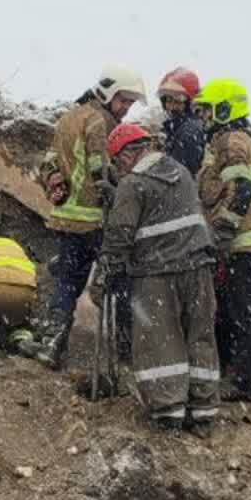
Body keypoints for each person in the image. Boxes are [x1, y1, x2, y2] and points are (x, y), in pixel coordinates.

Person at [97, 123, 220, 434]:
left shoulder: (133, 184)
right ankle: (203, 410)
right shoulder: (182, 172)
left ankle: (169, 411)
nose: (119, 168)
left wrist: (108, 268)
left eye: (118, 161)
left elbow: (121, 233)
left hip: (157, 273)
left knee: (160, 341)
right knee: (200, 336)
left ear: (127, 154)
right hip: (199, 267)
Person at [34, 65, 146, 366]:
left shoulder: (69, 117)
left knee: (67, 282)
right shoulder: (100, 120)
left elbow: (48, 162)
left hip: (67, 220)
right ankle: (127, 352)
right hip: (97, 220)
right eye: (123, 100)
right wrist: (118, 193)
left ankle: (52, 344)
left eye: (130, 103)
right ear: (108, 93)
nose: (126, 108)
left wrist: (54, 182)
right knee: (120, 281)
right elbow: (100, 165)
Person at [192, 79, 251, 400]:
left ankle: (245, 381)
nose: (204, 117)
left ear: (225, 109)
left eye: (208, 110)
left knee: (242, 313)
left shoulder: (229, 142)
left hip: (245, 244)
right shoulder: (249, 139)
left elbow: (241, 189)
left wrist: (223, 231)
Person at [156, 67, 206, 177]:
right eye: (168, 100)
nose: (172, 107)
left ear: (189, 103)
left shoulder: (189, 132)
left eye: (178, 101)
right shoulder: (173, 127)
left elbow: (179, 174)